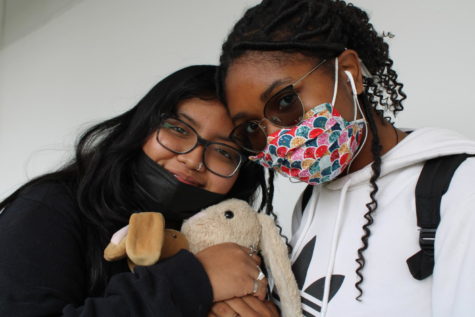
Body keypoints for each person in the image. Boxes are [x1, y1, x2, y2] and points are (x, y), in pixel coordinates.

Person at [215, 1, 475, 316]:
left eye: (284, 102)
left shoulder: (461, 187)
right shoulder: (311, 200)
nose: (275, 139)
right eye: (253, 129)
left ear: (349, 71)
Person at [0, 65, 273, 316]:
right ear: (142, 126)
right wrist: (195, 279)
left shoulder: (235, 246)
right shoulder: (50, 206)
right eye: (178, 129)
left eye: (224, 152)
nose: (193, 160)